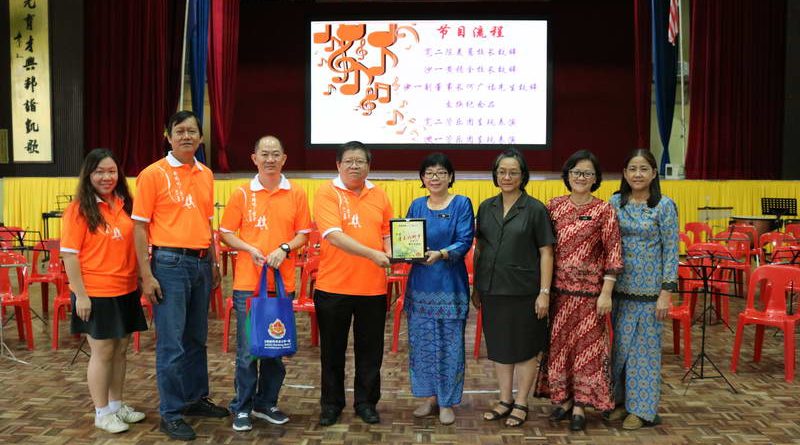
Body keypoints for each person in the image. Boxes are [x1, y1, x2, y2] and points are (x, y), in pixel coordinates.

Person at [132, 110, 228, 441]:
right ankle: (170, 413)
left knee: (196, 338)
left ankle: (194, 399)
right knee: (171, 343)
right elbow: (139, 227)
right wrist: (146, 275)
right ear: (168, 136)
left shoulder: (206, 174)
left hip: (201, 263)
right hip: (169, 264)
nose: (186, 136)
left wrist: (213, 261)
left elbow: (206, 221)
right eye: (180, 131)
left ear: (201, 137)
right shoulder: (152, 174)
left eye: (192, 131)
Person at [219, 135, 312, 432]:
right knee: (248, 350)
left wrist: (284, 248)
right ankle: (242, 407)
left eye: (275, 154)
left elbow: (303, 234)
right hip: (249, 284)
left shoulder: (296, 193)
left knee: (275, 346)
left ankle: (267, 403)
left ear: (284, 159)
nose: (270, 159)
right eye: (264, 154)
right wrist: (250, 249)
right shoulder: (242, 194)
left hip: (282, 285)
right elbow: (225, 232)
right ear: (254, 158)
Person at [534, 150, 623, 431]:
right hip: (558, 294)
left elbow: (613, 254)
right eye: (576, 172)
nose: (581, 177)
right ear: (567, 175)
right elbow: (544, 250)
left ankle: (581, 405)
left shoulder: (604, 210)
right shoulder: (553, 207)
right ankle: (563, 399)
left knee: (587, 350)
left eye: (587, 173)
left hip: (590, 296)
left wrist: (606, 292)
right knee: (561, 349)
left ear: (595, 178)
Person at [61, 148, 148, 434]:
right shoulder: (78, 210)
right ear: (88, 175)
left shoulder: (124, 204)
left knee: (120, 350)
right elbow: (70, 256)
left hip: (125, 289)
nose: (106, 177)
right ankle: (101, 412)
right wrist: (81, 295)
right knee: (103, 351)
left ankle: (116, 405)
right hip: (95, 292)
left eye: (111, 171)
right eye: (99, 172)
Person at [472, 148, 555, 428]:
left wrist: (544, 292)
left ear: (523, 176)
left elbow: (546, 252)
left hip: (525, 291)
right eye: (502, 172)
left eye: (513, 172)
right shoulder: (486, 207)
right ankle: (504, 399)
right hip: (492, 289)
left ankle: (521, 402)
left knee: (525, 348)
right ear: (495, 175)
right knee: (500, 347)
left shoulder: (535, 209)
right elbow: (480, 248)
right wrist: (477, 287)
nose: (507, 177)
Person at [313, 141, 393, 426]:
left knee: (370, 352)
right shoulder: (327, 192)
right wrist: (373, 254)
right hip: (333, 287)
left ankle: (366, 403)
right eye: (349, 161)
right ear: (338, 165)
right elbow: (333, 236)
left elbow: (387, 233)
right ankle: (331, 404)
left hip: (372, 288)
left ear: (369, 166)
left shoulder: (379, 194)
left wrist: (393, 251)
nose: (355, 166)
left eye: (360, 161)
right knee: (332, 352)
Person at [607, 149, 678, 430]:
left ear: (654, 173)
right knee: (619, 351)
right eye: (632, 169)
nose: (638, 174)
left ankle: (641, 410)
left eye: (643, 169)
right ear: (625, 173)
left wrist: (666, 293)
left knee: (643, 353)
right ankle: (620, 402)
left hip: (650, 294)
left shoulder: (664, 206)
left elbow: (671, 251)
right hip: (618, 290)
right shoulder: (615, 203)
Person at [404, 153, 474, 425]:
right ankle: (429, 398)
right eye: (429, 173)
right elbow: (406, 240)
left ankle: (447, 402)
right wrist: (403, 251)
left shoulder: (461, 204)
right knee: (422, 345)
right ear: (422, 178)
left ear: (450, 176)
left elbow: (465, 240)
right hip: (420, 287)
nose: (435, 178)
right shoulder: (416, 205)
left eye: (441, 172)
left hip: (450, 287)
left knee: (450, 346)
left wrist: (442, 253)